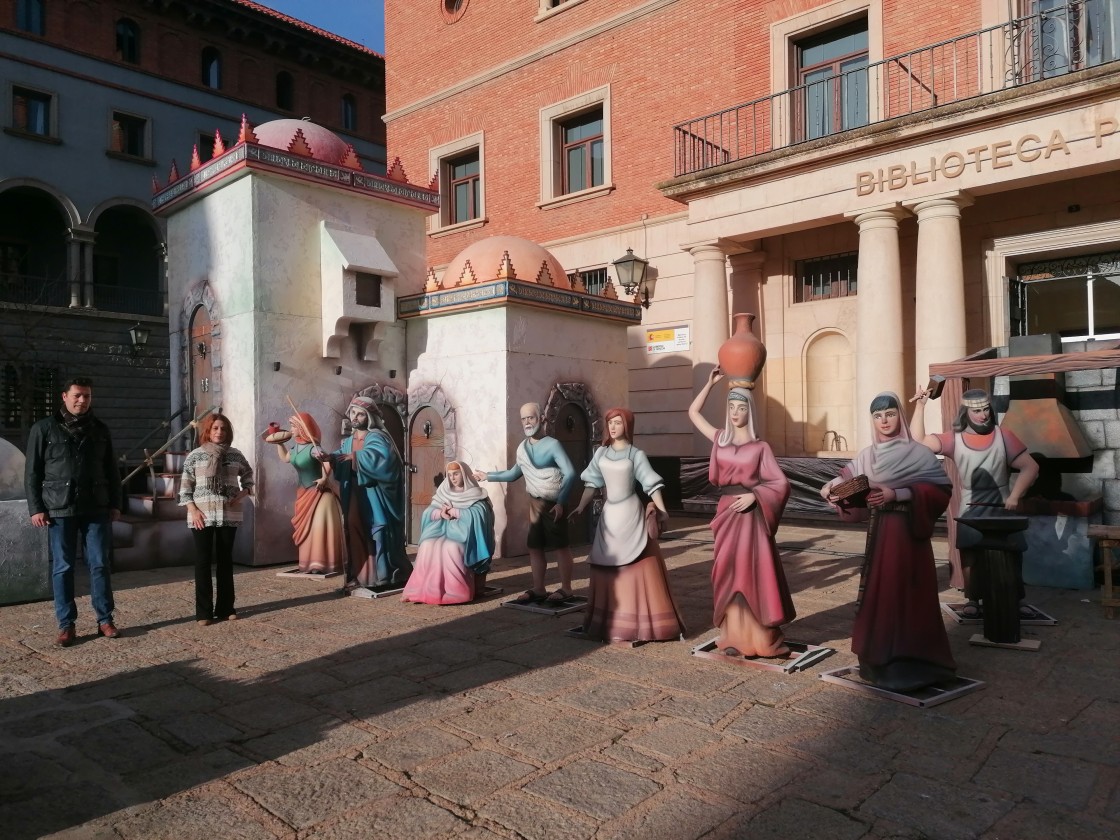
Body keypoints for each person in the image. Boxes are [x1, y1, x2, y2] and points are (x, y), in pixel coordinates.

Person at [821, 392, 956, 691]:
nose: (884, 421)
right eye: (878, 416)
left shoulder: (918, 453)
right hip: (880, 534)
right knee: (879, 594)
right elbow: (847, 478)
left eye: (890, 414)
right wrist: (830, 487)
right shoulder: (867, 455)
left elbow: (941, 490)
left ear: (900, 416)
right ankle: (878, 658)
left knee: (907, 594)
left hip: (908, 536)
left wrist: (900, 494)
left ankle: (914, 661)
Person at [687, 368, 795, 658]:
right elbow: (694, 413)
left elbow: (780, 482)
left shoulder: (761, 447)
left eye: (741, 406)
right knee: (727, 572)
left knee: (752, 572)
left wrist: (755, 496)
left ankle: (760, 637)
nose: (735, 412)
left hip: (750, 517)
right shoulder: (720, 438)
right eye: (731, 407)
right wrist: (709, 385)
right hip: (725, 514)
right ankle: (732, 635)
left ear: (750, 410)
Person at [911, 387, 1039, 618]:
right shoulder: (954, 439)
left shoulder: (1004, 436)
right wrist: (920, 406)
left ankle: (1017, 598)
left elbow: (1031, 467)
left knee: (1012, 552)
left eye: (985, 410)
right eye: (977, 411)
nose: (983, 415)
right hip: (971, 505)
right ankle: (973, 598)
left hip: (1002, 502)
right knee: (970, 554)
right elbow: (918, 441)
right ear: (966, 413)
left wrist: (1014, 495)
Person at [568, 409, 685, 642]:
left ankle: (637, 623)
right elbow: (592, 483)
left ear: (627, 426)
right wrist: (581, 506)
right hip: (610, 516)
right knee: (606, 566)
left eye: (618, 422)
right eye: (610, 422)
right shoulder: (601, 453)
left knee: (637, 566)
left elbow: (651, 484)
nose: (612, 427)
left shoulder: (636, 454)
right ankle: (608, 621)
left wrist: (662, 510)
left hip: (631, 514)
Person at [25, 377, 122, 646]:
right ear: (64, 397)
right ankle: (66, 625)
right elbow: (32, 472)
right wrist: (36, 508)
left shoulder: (100, 430)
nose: (82, 401)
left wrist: (115, 503)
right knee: (63, 567)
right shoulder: (44, 429)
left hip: (96, 506)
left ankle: (105, 619)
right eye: (77, 395)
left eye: (87, 396)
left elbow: (112, 470)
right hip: (58, 507)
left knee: (100, 564)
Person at [474, 402, 577, 604]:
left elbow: (571, 473)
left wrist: (562, 502)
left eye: (531, 417)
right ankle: (539, 588)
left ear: (541, 418)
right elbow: (514, 473)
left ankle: (566, 588)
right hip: (535, 504)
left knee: (561, 546)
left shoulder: (553, 445)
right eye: (524, 418)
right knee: (534, 546)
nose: (527, 422)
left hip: (554, 503)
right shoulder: (523, 448)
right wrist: (487, 476)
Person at [326, 396, 411, 590]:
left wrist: (355, 457)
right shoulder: (349, 441)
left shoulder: (377, 437)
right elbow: (341, 457)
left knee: (378, 531)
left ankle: (384, 574)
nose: (356, 417)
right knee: (353, 528)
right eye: (353, 412)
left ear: (370, 417)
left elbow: (385, 461)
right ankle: (361, 572)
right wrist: (329, 457)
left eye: (361, 414)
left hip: (375, 494)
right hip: (355, 493)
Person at [180, 412, 254, 625]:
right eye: (215, 428)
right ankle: (203, 612)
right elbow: (185, 487)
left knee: (225, 561)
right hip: (200, 515)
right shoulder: (195, 455)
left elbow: (248, 474)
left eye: (223, 428)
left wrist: (244, 491)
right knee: (202, 562)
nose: (219, 432)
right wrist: (193, 510)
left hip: (228, 513)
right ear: (208, 431)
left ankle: (225, 608)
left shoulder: (235, 455)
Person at [402, 461, 495, 605]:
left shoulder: (475, 494)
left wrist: (456, 512)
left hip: (464, 534)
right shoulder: (444, 492)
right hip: (441, 530)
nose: (453, 478)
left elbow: (480, 513)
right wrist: (440, 513)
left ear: (464, 474)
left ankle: (455, 592)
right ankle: (423, 590)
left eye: (456, 474)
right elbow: (428, 512)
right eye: (450, 475)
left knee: (451, 548)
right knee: (427, 545)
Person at [272, 412, 345, 574]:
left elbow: (327, 462)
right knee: (308, 530)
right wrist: (279, 443)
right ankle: (308, 563)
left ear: (301, 428)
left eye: (293, 426)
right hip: (303, 493)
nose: (291, 428)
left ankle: (321, 564)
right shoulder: (295, 448)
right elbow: (285, 458)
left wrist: (324, 478)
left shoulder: (314, 448)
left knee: (318, 528)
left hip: (319, 494)